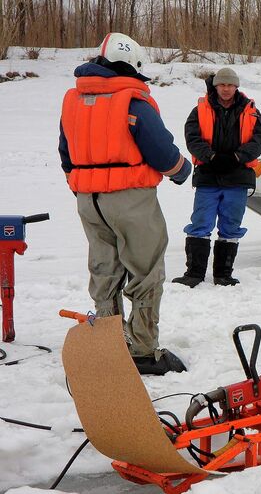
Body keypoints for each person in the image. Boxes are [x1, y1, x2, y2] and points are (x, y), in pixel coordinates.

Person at [58, 32, 192, 376]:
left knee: (104, 269)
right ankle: (144, 350)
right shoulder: (132, 102)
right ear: (132, 66)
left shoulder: (73, 100)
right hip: (130, 197)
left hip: (89, 200)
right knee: (146, 270)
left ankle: (107, 342)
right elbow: (161, 152)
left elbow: (66, 152)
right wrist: (182, 170)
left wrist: (84, 188)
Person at [172, 67, 261, 288]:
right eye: (222, 85)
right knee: (200, 223)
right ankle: (194, 273)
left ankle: (223, 275)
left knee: (231, 226)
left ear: (236, 87)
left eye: (230, 85)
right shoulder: (199, 109)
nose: (226, 89)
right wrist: (211, 157)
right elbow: (192, 137)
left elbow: (259, 139)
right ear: (215, 86)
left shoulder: (251, 110)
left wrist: (237, 157)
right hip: (208, 174)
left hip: (238, 176)